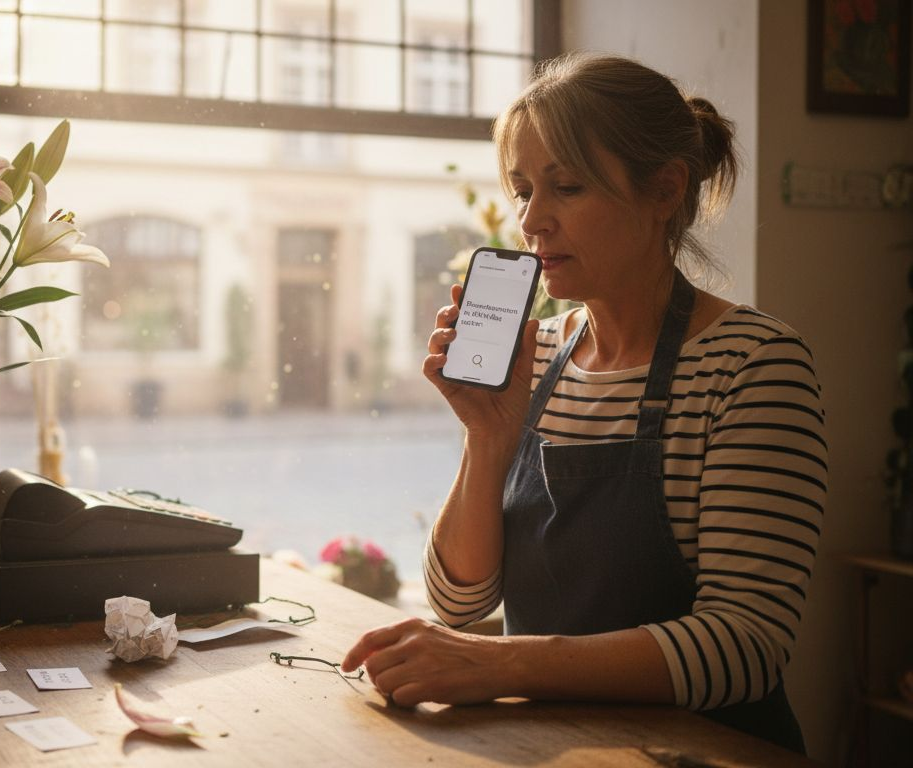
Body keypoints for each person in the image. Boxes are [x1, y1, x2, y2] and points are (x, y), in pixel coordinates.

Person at [340, 52, 826, 754]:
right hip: (556, 744)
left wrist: (497, 663)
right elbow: (460, 601)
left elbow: (744, 646)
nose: (532, 222)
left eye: (565, 187)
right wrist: (488, 436)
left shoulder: (753, 365)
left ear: (664, 190)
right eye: (522, 191)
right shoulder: (534, 357)